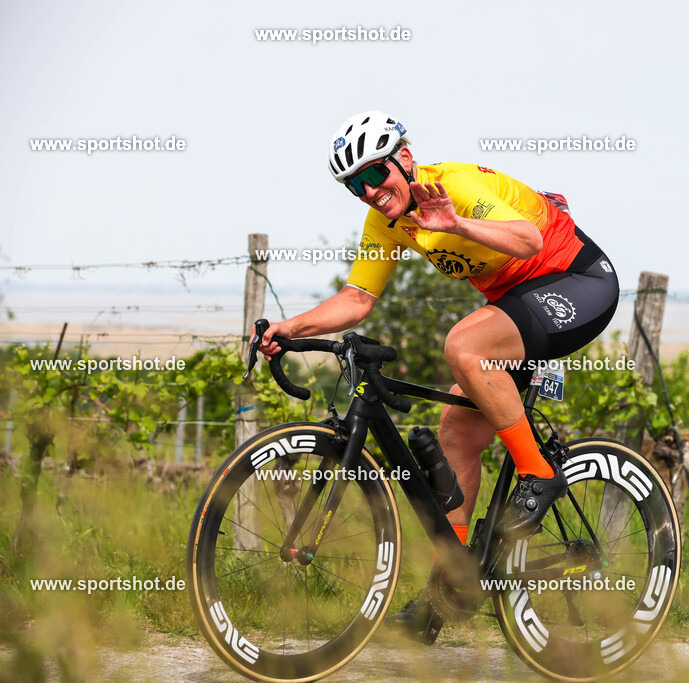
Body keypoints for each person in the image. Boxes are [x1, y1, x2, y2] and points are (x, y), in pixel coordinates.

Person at [254, 110, 619, 641]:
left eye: (375, 174)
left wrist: (455, 224)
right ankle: (448, 591)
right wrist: (290, 326)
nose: (370, 191)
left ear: (404, 159)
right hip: (520, 303)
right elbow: (358, 300)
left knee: (464, 344)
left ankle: (538, 473)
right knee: (456, 431)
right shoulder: (386, 220)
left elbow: (528, 241)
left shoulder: (456, 187)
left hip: (578, 280)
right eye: (355, 185)